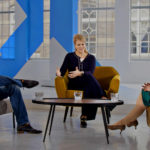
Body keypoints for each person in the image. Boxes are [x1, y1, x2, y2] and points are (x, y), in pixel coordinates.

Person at [56, 34, 107, 128]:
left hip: (87, 82)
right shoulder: (69, 56)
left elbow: (90, 72)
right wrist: (58, 74)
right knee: (89, 80)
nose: (81, 47)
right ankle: (102, 95)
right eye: (78, 45)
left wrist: (80, 73)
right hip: (74, 83)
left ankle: (84, 116)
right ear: (75, 45)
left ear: (85, 44)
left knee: (88, 83)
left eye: (83, 44)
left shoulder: (91, 58)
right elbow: (62, 72)